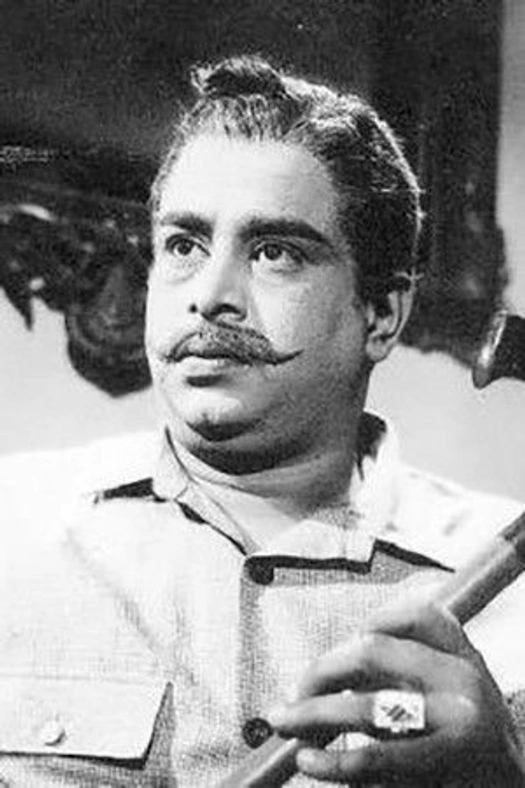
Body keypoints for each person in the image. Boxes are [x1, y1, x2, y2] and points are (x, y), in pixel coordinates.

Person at [1, 54, 525, 787]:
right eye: (184, 245)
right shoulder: (12, 525)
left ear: (381, 314)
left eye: (275, 252)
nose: (210, 294)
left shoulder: (513, 596)